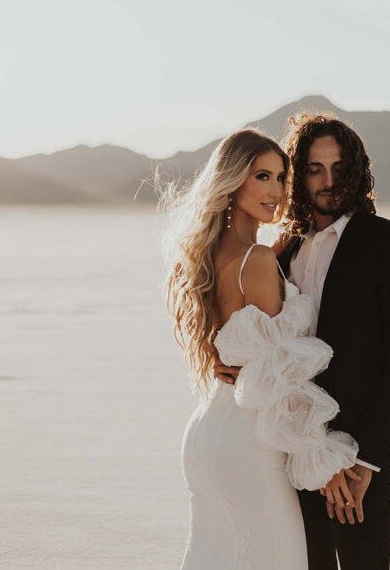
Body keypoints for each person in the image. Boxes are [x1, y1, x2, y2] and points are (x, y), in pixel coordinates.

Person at [216, 114, 390, 570]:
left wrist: (366, 461)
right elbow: (267, 343)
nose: (329, 181)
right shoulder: (285, 251)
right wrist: (238, 370)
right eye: (315, 169)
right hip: (288, 453)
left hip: (356, 466)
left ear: (356, 170)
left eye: (338, 168)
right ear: (299, 175)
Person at [162, 129, 364, 570]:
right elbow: (282, 377)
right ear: (234, 181)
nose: (276, 191)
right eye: (263, 176)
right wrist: (321, 460)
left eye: (281, 178)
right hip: (250, 440)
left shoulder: (212, 252)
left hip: (206, 430)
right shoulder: (255, 260)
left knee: (212, 555)